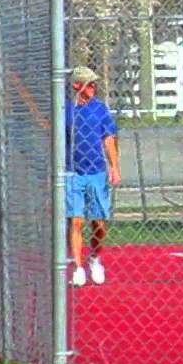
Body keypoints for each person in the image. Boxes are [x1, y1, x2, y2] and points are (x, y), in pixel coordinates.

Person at [66, 65, 120, 286]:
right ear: (77, 86)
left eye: (94, 83)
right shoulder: (66, 110)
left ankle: (95, 258)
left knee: (99, 223)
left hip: (96, 172)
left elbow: (108, 139)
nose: (93, 87)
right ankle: (78, 268)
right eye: (89, 84)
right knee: (76, 221)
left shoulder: (100, 110)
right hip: (72, 173)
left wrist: (114, 166)